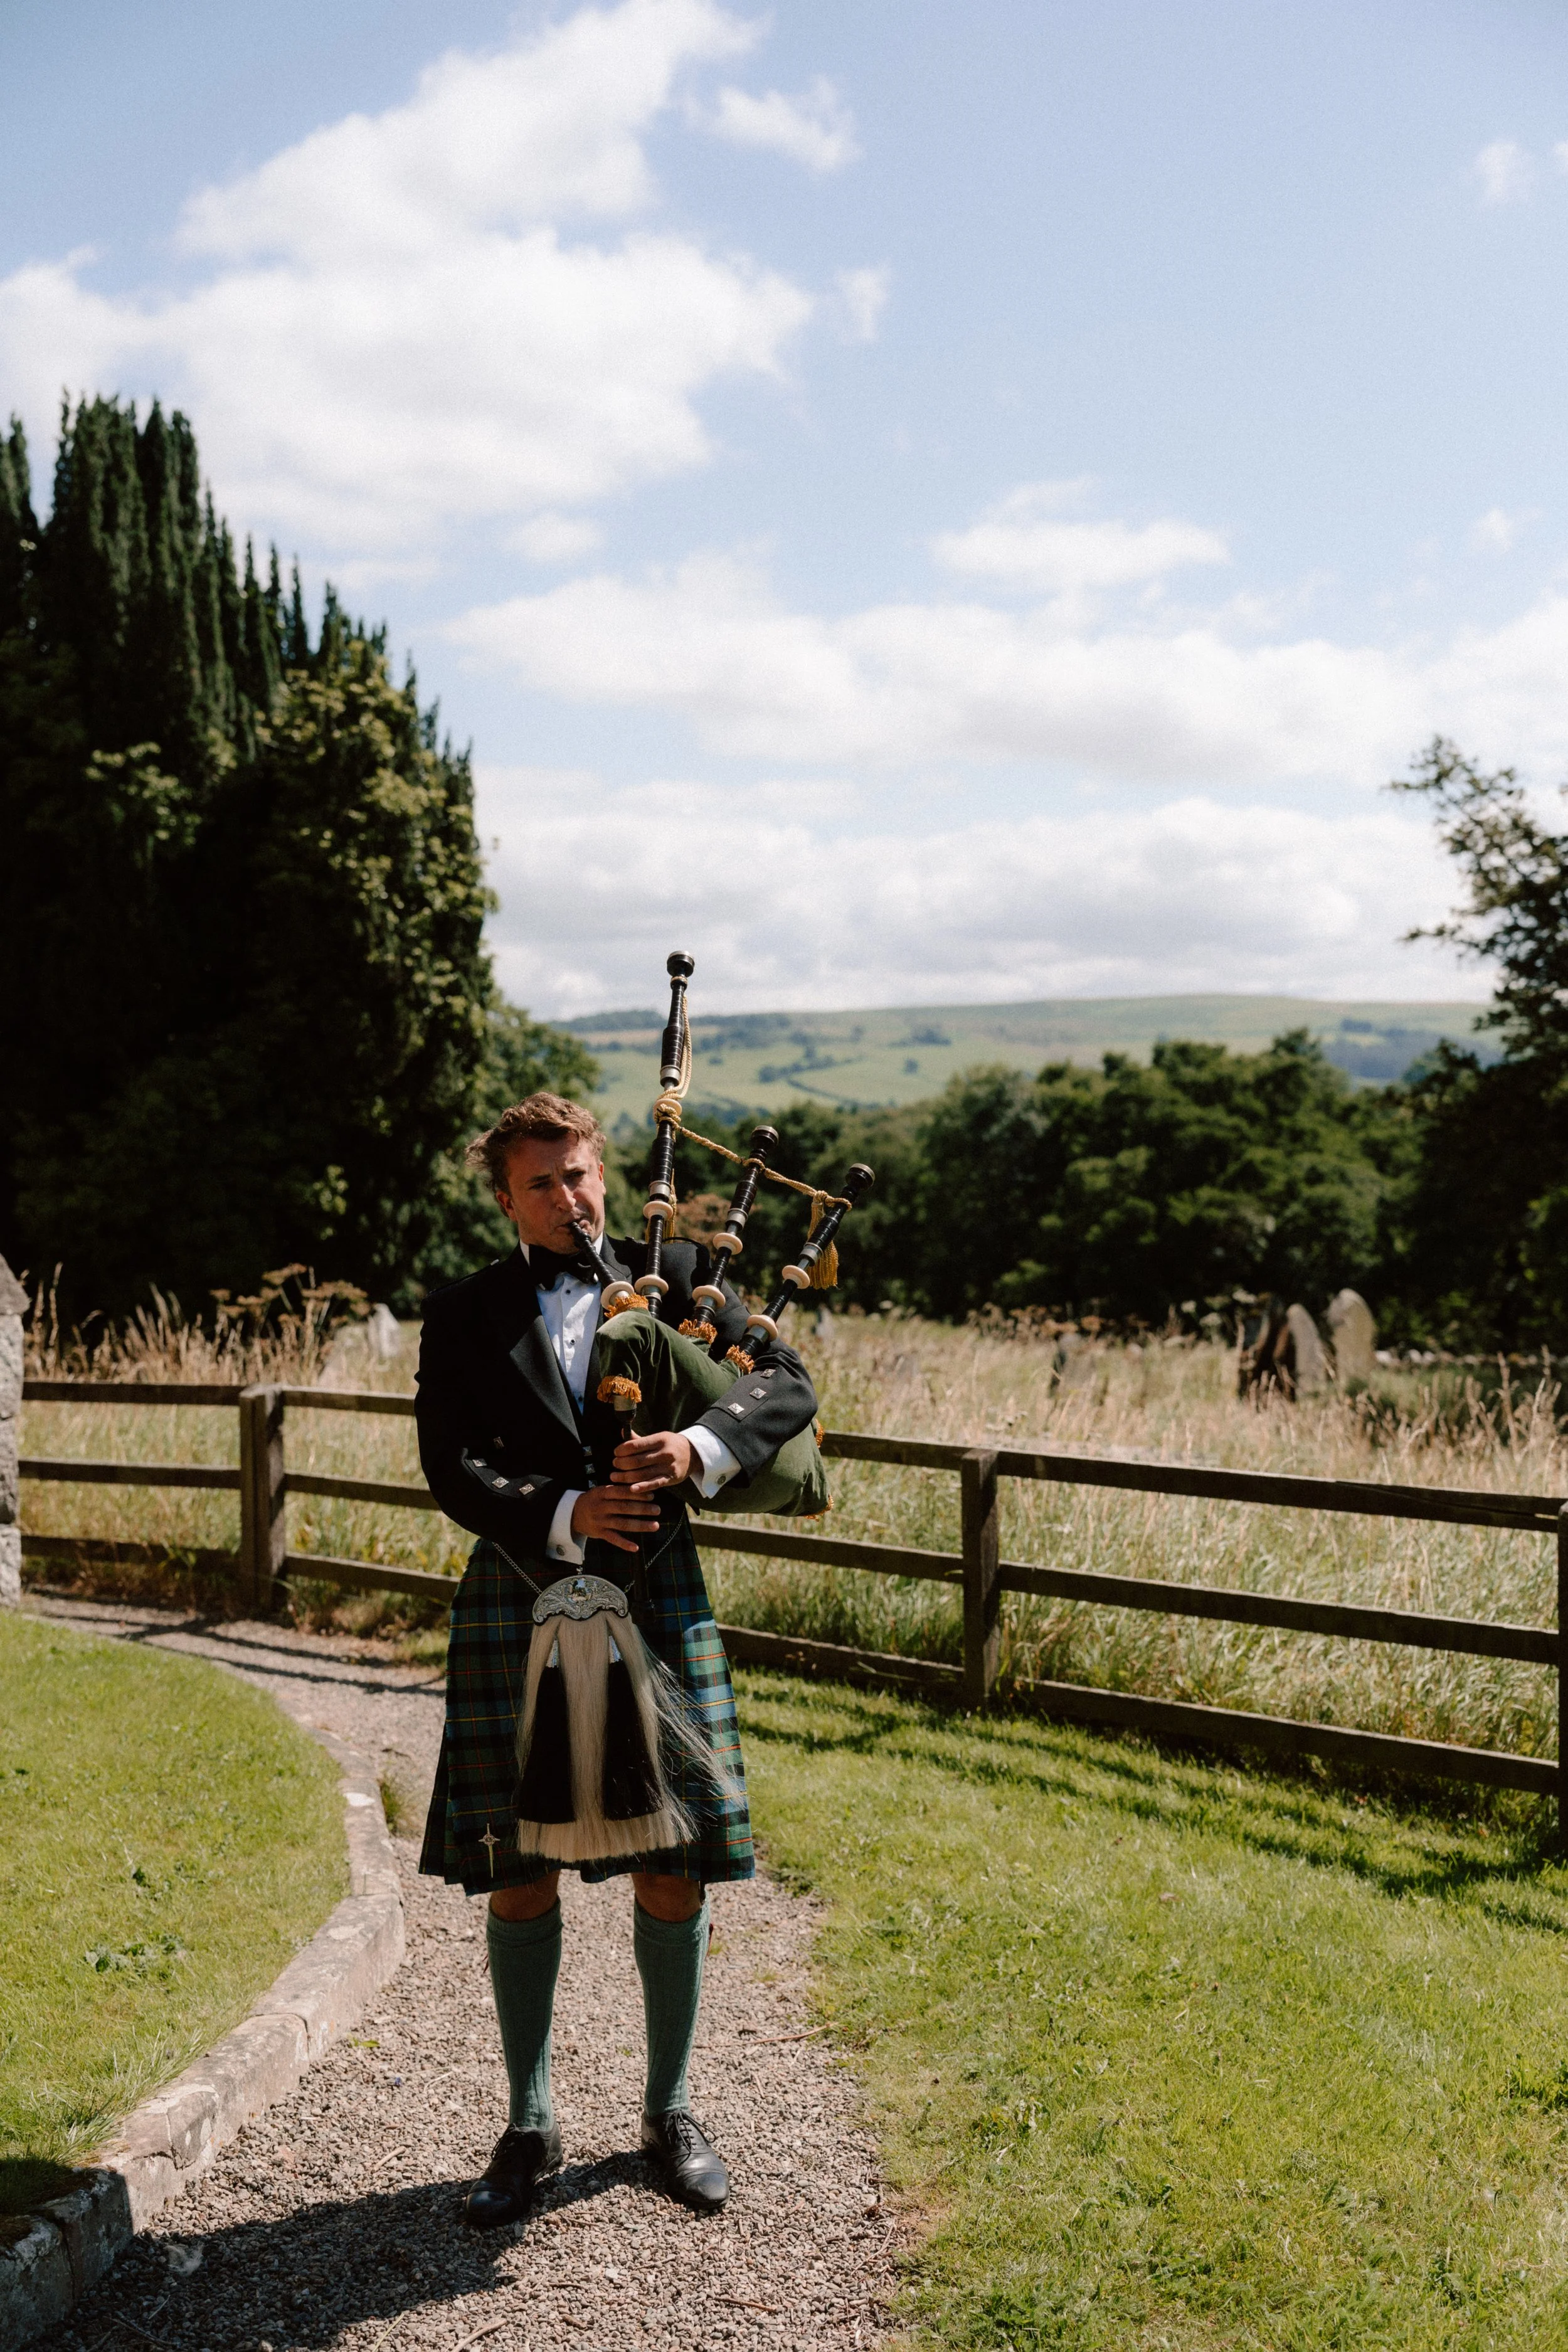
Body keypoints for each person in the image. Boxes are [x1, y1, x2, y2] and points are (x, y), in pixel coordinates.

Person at [415, 1093, 818, 2225]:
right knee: (518, 1866)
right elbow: (450, 1464)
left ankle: (670, 2110)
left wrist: (697, 1445)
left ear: (606, 1175)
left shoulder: (680, 1277)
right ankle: (529, 2122)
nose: (570, 1197)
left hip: (658, 1592)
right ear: (508, 1199)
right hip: (522, 1586)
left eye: (581, 1174)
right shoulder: (465, 1311)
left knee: (673, 1860)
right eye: (542, 1183)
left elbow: (787, 1384)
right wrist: (565, 1510)